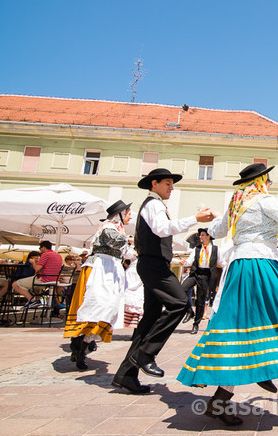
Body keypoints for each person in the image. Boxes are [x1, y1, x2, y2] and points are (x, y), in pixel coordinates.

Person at [176, 163, 278, 426]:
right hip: (258, 263)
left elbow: (217, 231)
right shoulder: (263, 201)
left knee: (242, 325)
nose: (270, 184)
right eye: (268, 180)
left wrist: (215, 216)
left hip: (239, 265)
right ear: (261, 181)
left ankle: (226, 396)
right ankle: (263, 364)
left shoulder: (237, 204)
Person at [112, 168, 214, 395]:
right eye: (167, 183)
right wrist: (195, 219)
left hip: (154, 264)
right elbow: (161, 229)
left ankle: (125, 374)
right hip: (153, 266)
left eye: (172, 184)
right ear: (154, 184)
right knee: (179, 304)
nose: (172, 188)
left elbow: (165, 233)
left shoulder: (157, 205)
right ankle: (146, 353)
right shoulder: (153, 204)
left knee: (149, 320)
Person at [63, 200, 133, 370]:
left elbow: (124, 250)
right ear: (121, 214)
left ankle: (81, 347)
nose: (130, 217)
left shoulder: (117, 228)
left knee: (107, 308)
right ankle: (79, 346)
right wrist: (133, 239)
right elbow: (114, 241)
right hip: (100, 269)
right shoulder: (109, 226)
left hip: (109, 270)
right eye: (128, 213)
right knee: (96, 305)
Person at [181, 228, 225, 334]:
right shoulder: (197, 248)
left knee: (200, 301)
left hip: (206, 275)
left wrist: (229, 269)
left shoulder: (215, 249)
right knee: (182, 289)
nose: (200, 237)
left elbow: (222, 262)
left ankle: (196, 324)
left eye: (202, 235)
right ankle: (189, 311)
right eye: (200, 235)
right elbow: (190, 261)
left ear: (208, 236)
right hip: (195, 273)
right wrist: (184, 262)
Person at [12, 240, 63, 308]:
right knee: (36, 288)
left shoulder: (45, 254)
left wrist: (33, 262)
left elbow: (36, 268)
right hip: (55, 280)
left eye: (40, 248)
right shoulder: (58, 255)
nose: (40, 250)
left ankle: (32, 301)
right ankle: (37, 301)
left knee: (15, 284)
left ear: (43, 247)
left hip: (44, 280)